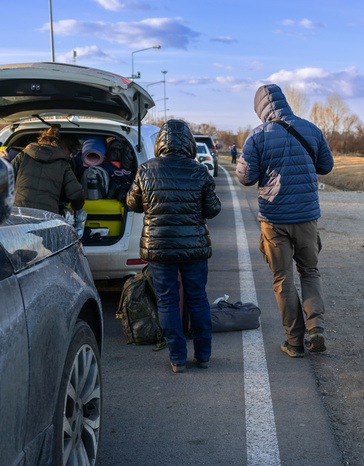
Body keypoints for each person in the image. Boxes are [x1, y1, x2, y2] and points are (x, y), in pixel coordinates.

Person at [236, 83, 334, 358]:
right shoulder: (311, 129)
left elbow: (245, 178)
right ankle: (317, 327)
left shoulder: (257, 136)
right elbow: (326, 166)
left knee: (283, 278)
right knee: (310, 272)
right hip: (306, 217)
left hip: (274, 218)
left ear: (260, 109)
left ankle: (294, 341)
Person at [127, 120, 221, 373]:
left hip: (158, 247)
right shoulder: (199, 171)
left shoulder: (146, 170)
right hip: (194, 247)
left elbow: (133, 204)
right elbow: (213, 210)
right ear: (188, 143)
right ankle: (203, 356)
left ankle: (177, 358)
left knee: (167, 300)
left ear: (160, 143)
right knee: (197, 298)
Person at [10, 127, 85, 214]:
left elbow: (3, 181)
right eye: (71, 149)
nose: (71, 154)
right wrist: (75, 207)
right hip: (46, 216)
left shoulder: (23, 156)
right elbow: (77, 193)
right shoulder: (63, 164)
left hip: (20, 213)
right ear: (62, 147)